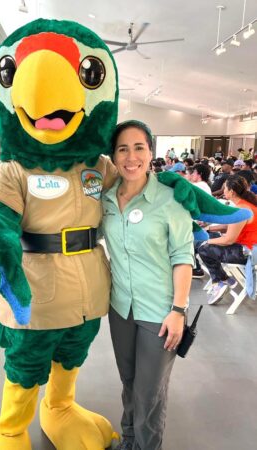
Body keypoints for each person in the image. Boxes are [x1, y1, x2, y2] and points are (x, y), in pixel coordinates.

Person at [101, 120, 194, 450]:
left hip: (160, 313)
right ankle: (129, 441)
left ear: (150, 152)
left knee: (149, 393)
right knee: (129, 383)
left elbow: (183, 256)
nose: (131, 157)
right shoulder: (107, 200)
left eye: (138, 147)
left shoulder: (170, 200)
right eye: (122, 149)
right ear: (113, 155)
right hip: (120, 307)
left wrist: (178, 310)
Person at [198, 174, 257, 305]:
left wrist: (207, 241)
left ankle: (219, 282)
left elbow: (228, 240)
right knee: (208, 239)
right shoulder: (245, 205)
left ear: (231, 191)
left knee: (203, 248)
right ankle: (225, 279)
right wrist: (208, 229)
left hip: (247, 252)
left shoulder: (241, 209)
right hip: (247, 248)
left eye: (225, 188)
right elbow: (228, 225)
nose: (223, 190)